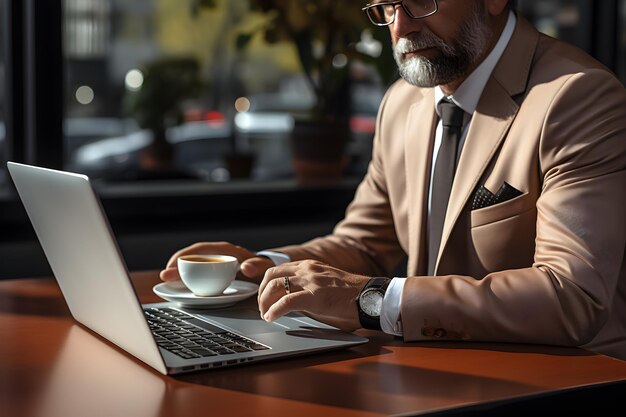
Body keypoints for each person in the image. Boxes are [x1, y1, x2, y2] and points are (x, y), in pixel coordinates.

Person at [161, 0, 626, 360]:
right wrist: (264, 267)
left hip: (566, 379)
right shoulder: (402, 103)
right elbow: (364, 243)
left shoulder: (576, 95)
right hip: (437, 370)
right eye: (385, 7)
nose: (400, 27)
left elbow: (572, 297)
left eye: (420, 1)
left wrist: (370, 300)